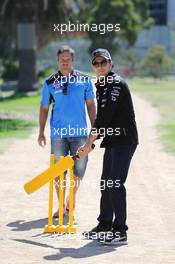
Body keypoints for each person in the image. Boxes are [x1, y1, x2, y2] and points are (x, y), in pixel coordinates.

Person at [77, 48, 138, 244]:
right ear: (93, 66)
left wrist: (88, 143)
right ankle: (105, 225)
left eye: (104, 62)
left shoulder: (115, 84)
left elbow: (103, 118)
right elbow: (104, 121)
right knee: (106, 184)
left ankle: (120, 231)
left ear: (111, 64)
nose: (100, 66)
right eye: (96, 63)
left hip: (125, 140)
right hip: (112, 140)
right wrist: (93, 141)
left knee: (114, 184)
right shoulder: (102, 85)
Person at [38, 46, 96, 218]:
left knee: (79, 169)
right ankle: (61, 205)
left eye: (68, 59)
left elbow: (91, 105)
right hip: (58, 134)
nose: (64, 62)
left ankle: (72, 197)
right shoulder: (49, 82)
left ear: (73, 61)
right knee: (58, 171)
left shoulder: (85, 80)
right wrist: (41, 132)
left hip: (80, 134)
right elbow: (44, 108)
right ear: (57, 61)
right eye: (62, 60)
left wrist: (95, 127)